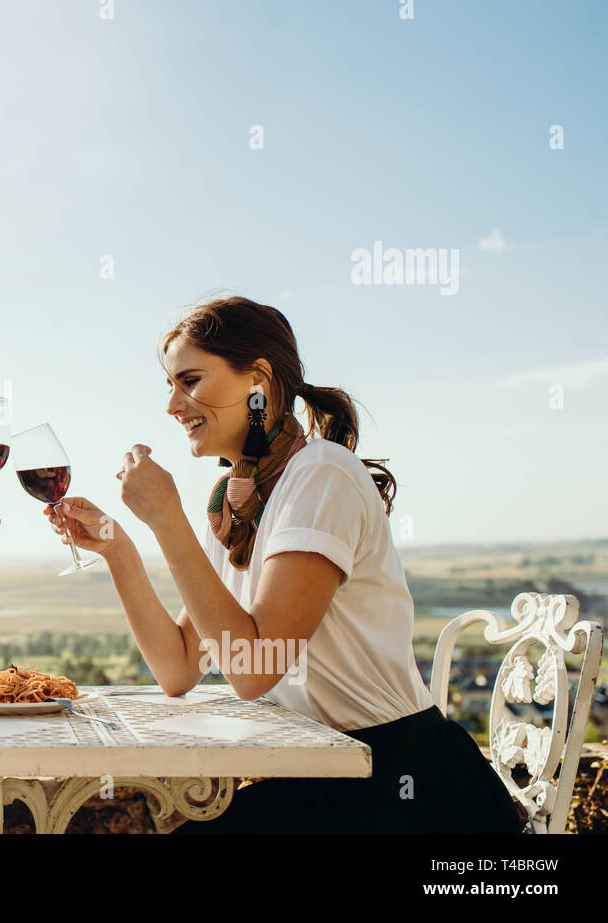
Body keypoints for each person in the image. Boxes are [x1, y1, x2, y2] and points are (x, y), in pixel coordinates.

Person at [45, 296, 524, 833]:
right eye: (171, 386)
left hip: (399, 784)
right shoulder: (235, 501)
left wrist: (167, 520)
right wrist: (118, 548)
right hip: (321, 777)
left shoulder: (321, 475)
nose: (173, 406)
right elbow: (179, 668)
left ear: (259, 379)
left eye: (191, 381)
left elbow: (253, 668)